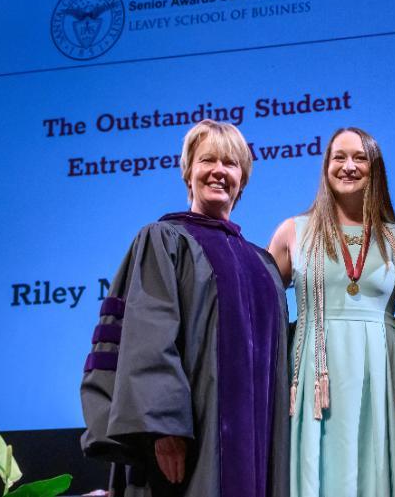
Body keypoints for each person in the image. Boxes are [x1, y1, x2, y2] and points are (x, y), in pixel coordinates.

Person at [80, 119, 289, 497]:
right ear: (188, 172)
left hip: (256, 447)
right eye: (208, 160)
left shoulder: (263, 265)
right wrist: (164, 430)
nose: (219, 171)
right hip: (185, 446)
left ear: (243, 179)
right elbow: (148, 339)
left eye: (231, 163)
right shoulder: (164, 241)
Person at [268, 127, 395, 497]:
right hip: (317, 374)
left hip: (382, 372)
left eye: (359, 158)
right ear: (326, 167)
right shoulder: (294, 232)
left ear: (375, 168)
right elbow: (261, 306)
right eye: (338, 157)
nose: (348, 166)